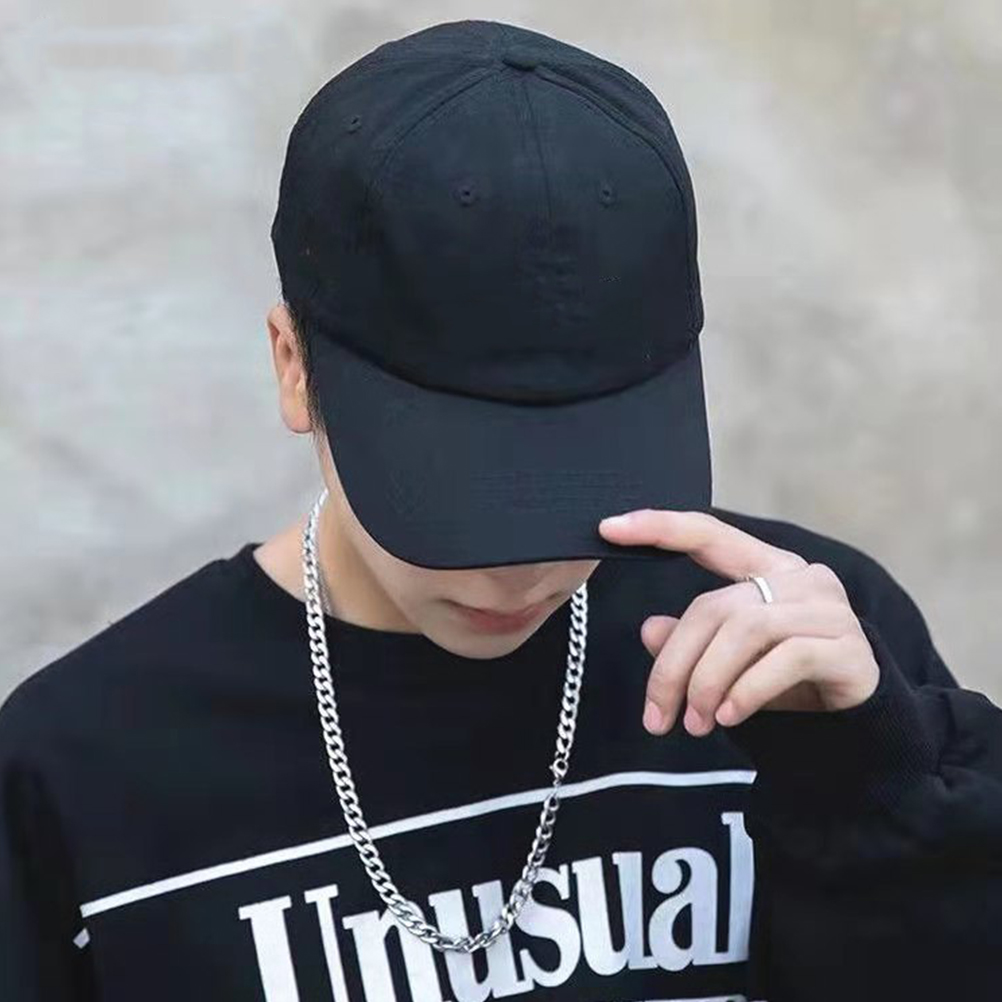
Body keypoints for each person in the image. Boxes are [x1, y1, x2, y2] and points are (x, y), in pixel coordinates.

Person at [2, 17, 1000, 1002]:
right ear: (295, 366)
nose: (518, 569)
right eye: (456, 483)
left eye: (581, 473)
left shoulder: (805, 656)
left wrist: (873, 797)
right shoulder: (88, 770)